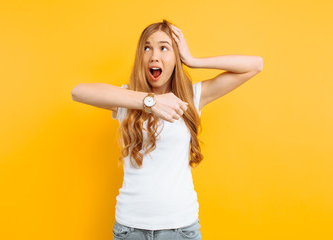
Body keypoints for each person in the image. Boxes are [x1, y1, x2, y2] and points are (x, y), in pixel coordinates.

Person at [71, 19, 263, 240]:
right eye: (147, 47)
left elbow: (255, 64)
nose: (154, 55)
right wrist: (149, 101)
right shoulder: (128, 99)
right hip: (130, 228)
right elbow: (78, 92)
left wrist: (193, 60)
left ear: (176, 57)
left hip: (180, 228)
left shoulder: (192, 97)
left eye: (164, 47)